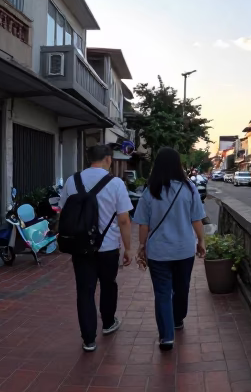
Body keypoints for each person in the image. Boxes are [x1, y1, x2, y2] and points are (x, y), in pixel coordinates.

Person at [61, 143, 133, 352]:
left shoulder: (72, 181)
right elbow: (124, 220)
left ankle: (88, 339)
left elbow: (64, 210)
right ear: (108, 159)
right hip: (108, 247)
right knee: (108, 285)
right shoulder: (116, 183)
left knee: (85, 291)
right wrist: (128, 247)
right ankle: (108, 323)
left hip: (81, 247)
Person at [133, 147, 207, 351]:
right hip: (184, 250)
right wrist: (201, 241)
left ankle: (166, 337)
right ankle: (178, 319)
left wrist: (141, 246)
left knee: (163, 292)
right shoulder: (189, 188)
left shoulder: (150, 191)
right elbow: (197, 219)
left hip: (158, 251)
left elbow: (143, 225)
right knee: (182, 288)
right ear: (178, 165)